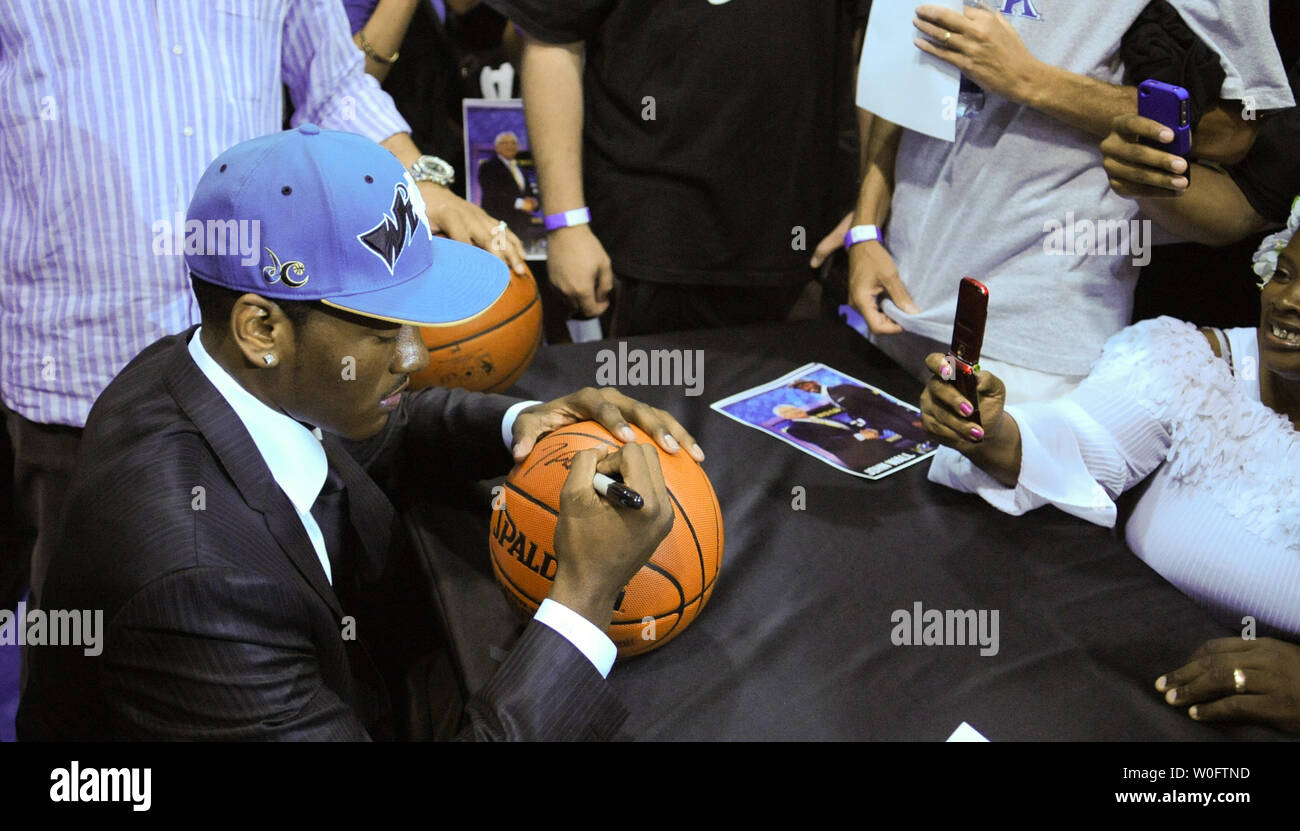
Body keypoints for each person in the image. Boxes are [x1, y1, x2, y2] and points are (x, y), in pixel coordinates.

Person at [18, 127, 705, 740]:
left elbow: (382, 428)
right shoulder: (200, 589)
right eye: (384, 333)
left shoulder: (199, 365)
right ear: (262, 329)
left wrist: (524, 422)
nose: (416, 357)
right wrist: (584, 597)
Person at [0, 0, 525, 611]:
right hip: (80, 352)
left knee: (279, 597)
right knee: (98, 628)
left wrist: (414, 181)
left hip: (267, 348)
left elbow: (332, 85)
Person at [919, 196, 1300, 732]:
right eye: (1283, 273)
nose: (1288, 300)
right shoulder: (1192, 365)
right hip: (1126, 688)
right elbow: (1079, 443)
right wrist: (988, 431)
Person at [848, 1, 1291, 403]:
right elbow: (898, 60)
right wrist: (865, 227)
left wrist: (1032, 82)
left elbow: (1236, 128)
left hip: (1036, 330)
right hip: (895, 294)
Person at [488, 0, 869, 335]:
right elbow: (551, 38)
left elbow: (870, 43)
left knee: (805, 410)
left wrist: (867, 210)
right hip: (652, 237)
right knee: (648, 408)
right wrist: (565, 223)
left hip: (807, 238)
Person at [478, 132, 544, 242]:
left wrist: (534, 202)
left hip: (523, 227)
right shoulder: (488, 167)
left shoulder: (521, 169)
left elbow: (529, 194)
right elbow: (492, 195)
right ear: (497, 147)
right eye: (505, 143)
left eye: (513, 143)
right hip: (499, 226)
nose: (510, 146)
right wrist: (521, 204)